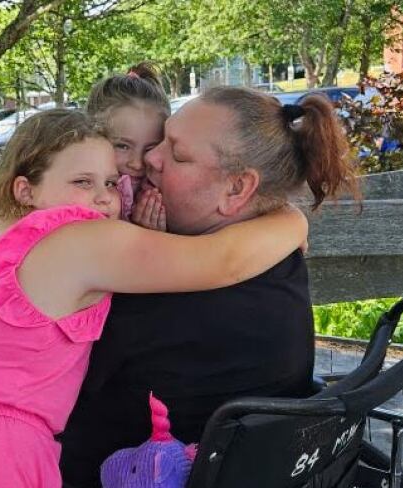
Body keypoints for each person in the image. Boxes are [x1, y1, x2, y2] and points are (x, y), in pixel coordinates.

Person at [0, 109, 307, 488]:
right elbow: (222, 260)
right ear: (25, 189)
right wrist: (292, 221)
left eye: (111, 183)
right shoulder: (77, 238)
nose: (101, 198)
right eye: (81, 181)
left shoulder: (13, 236)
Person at [59, 87, 360, 487]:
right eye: (163, 138)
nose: (150, 158)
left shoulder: (157, 296)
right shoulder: (274, 257)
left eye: (177, 154)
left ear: (237, 190)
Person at [86, 62, 169, 229]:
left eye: (150, 148)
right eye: (123, 146)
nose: (137, 164)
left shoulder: (164, 196)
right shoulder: (78, 192)